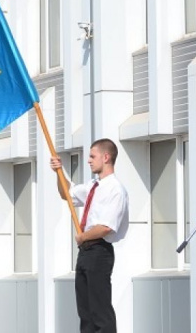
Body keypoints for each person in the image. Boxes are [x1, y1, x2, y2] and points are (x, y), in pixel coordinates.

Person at [50, 138, 129, 333]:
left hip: (99, 250)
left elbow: (106, 227)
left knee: (100, 310)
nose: (89, 161)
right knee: (85, 311)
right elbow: (67, 194)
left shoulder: (115, 190)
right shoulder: (94, 186)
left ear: (106, 157)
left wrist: (83, 236)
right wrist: (58, 172)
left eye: (93, 156)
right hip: (85, 252)